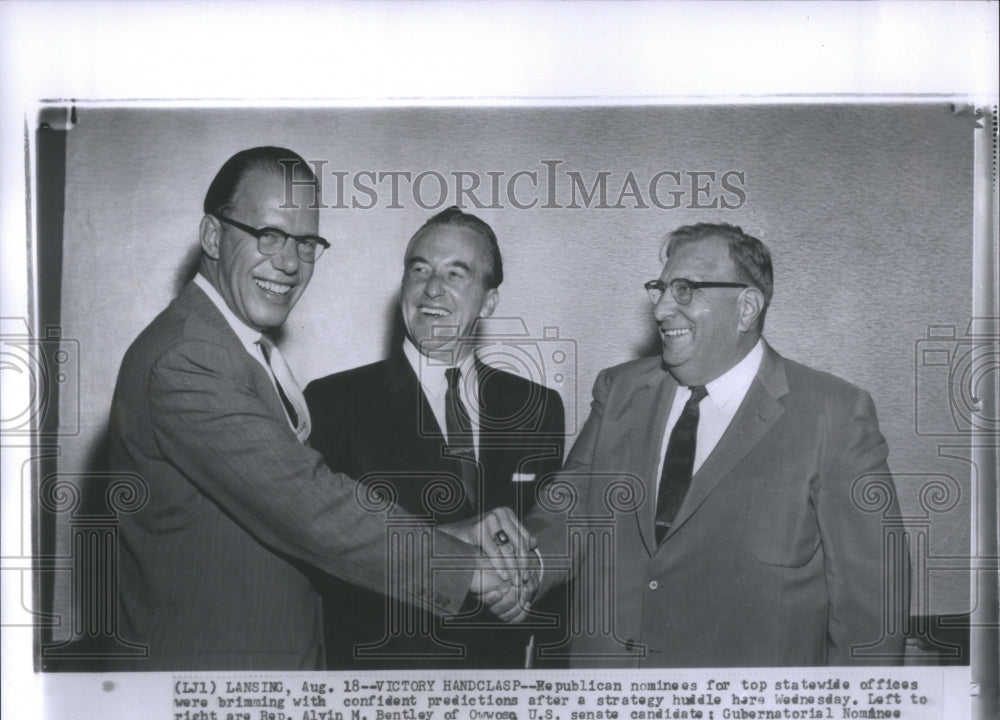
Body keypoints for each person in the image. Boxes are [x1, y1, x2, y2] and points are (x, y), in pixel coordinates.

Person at [108, 148, 533, 671]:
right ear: (214, 236)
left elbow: (305, 501)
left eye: (305, 243)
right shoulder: (190, 357)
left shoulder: (233, 347)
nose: (288, 263)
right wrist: (466, 567)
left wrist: (450, 532)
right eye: (268, 235)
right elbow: (309, 504)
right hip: (218, 688)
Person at [526, 222, 909, 667]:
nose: (662, 309)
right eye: (662, 288)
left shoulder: (835, 414)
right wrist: (521, 567)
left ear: (746, 309)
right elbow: (567, 514)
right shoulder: (618, 391)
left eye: (685, 290)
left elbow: (871, 610)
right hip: (606, 711)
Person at [305, 207, 566, 668]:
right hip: (381, 685)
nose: (432, 288)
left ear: (488, 301)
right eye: (419, 269)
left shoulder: (538, 407)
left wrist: (527, 587)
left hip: (499, 690)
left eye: (455, 273)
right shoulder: (333, 401)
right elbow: (324, 554)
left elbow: (546, 533)